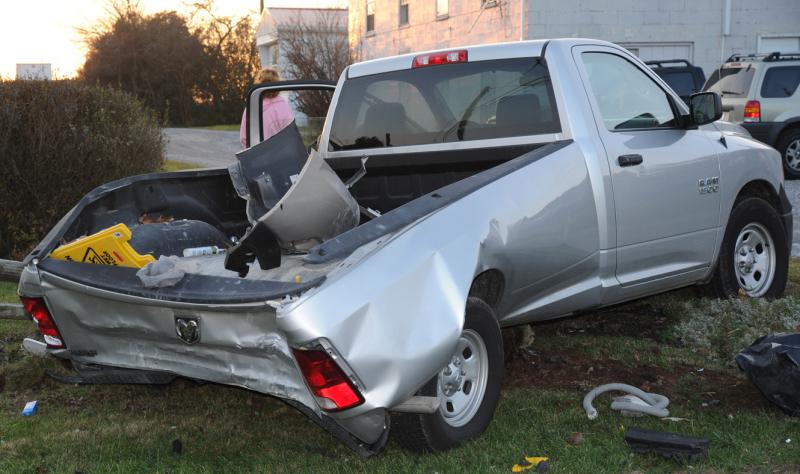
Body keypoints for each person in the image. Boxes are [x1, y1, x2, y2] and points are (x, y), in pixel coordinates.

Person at [239, 68, 294, 148]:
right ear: (278, 85)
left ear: (259, 84)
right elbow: (291, 135)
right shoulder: (284, 107)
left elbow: (244, 138)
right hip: (281, 155)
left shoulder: (251, 107)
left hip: (257, 156)